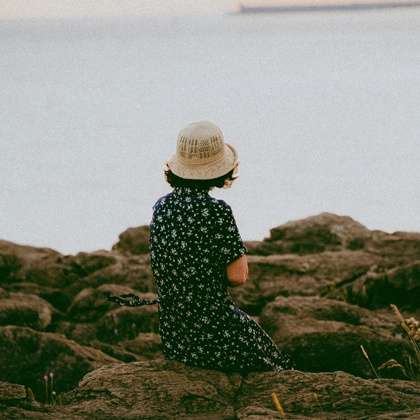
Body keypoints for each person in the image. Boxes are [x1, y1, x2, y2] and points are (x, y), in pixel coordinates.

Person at [110, 121, 295, 374]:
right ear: (221, 170)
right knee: (278, 368)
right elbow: (238, 276)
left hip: (176, 336)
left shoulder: (161, 207)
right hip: (216, 332)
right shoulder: (217, 211)